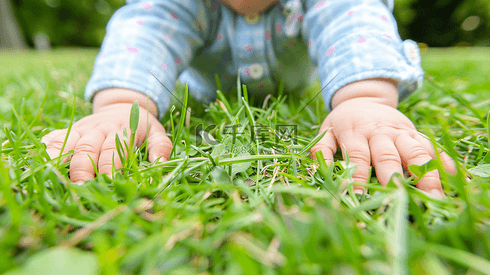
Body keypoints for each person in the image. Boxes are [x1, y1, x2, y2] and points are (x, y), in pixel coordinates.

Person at [42, 0, 456, 196]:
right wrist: (121, 106)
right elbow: (146, 30)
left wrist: (365, 100)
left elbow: (352, 20)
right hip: (209, 91)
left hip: (294, 82)